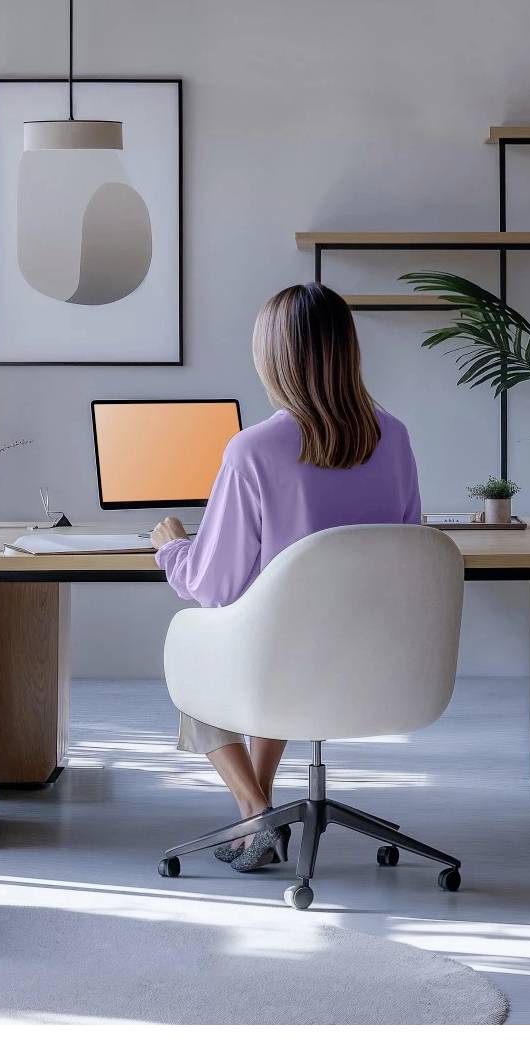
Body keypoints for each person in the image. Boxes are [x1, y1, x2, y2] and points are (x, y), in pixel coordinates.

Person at [151, 283, 421, 872]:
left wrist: (173, 549)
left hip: (283, 663)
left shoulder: (253, 451)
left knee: (205, 643)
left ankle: (253, 808)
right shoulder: (395, 438)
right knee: (279, 627)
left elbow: (214, 586)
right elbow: (405, 551)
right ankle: (263, 806)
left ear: (273, 358)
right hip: (378, 664)